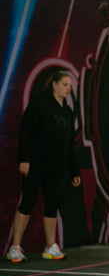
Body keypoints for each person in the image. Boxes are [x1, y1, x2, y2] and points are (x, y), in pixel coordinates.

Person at [6, 70, 81, 262]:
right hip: (36, 164)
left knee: (52, 204)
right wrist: (24, 158)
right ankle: (14, 248)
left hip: (57, 168)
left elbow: (69, 144)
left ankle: (50, 247)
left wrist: (74, 170)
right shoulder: (40, 104)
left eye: (70, 86)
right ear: (54, 84)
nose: (68, 89)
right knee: (28, 201)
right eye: (65, 84)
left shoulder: (68, 113)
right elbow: (26, 130)